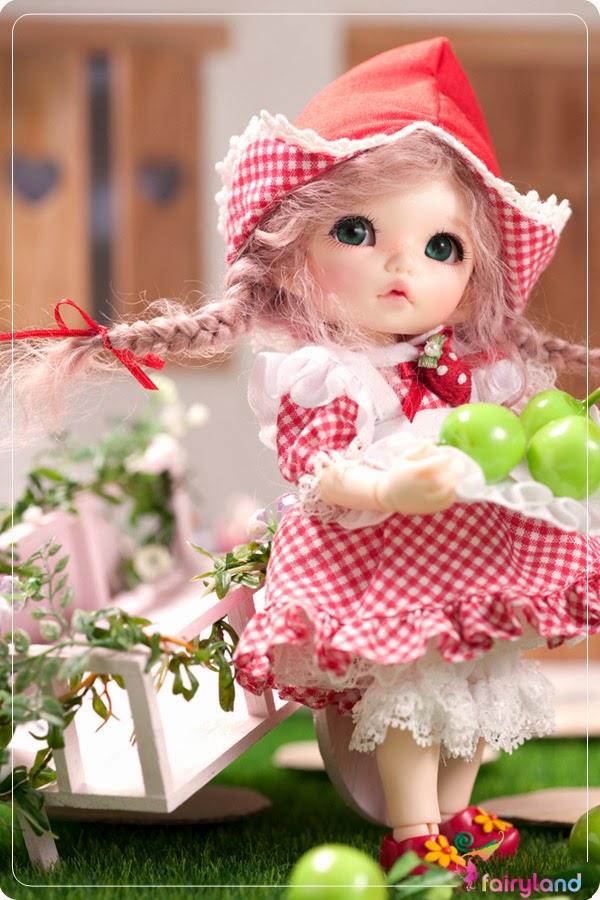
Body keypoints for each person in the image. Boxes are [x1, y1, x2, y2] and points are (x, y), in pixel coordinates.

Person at [3, 37, 599, 872]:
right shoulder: (327, 374)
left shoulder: (475, 368)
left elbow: (512, 443)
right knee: (410, 690)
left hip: (465, 553)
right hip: (375, 557)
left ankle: (457, 812)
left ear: (475, 272)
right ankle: (414, 828)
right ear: (295, 248)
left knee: (479, 678)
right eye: (358, 232)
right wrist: (388, 488)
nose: (403, 264)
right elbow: (319, 471)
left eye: (443, 247)